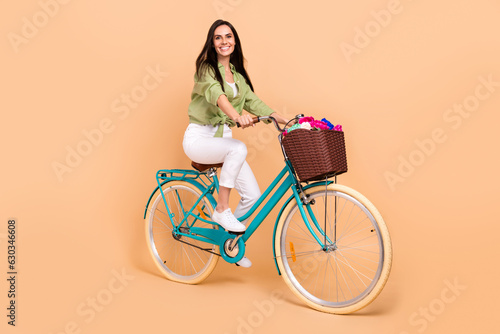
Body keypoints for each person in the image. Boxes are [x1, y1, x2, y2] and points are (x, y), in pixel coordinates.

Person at [182, 20, 288, 268]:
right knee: (238, 148)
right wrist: (236, 116)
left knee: (253, 197)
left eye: (228, 36)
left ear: (235, 41)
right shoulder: (206, 70)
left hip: (223, 141)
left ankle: (228, 244)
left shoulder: (238, 77)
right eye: (218, 38)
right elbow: (217, 96)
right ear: (212, 43)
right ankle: (221, 208)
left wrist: (285, 118)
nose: (224, 41)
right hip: (199, 138)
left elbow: (255, 103)